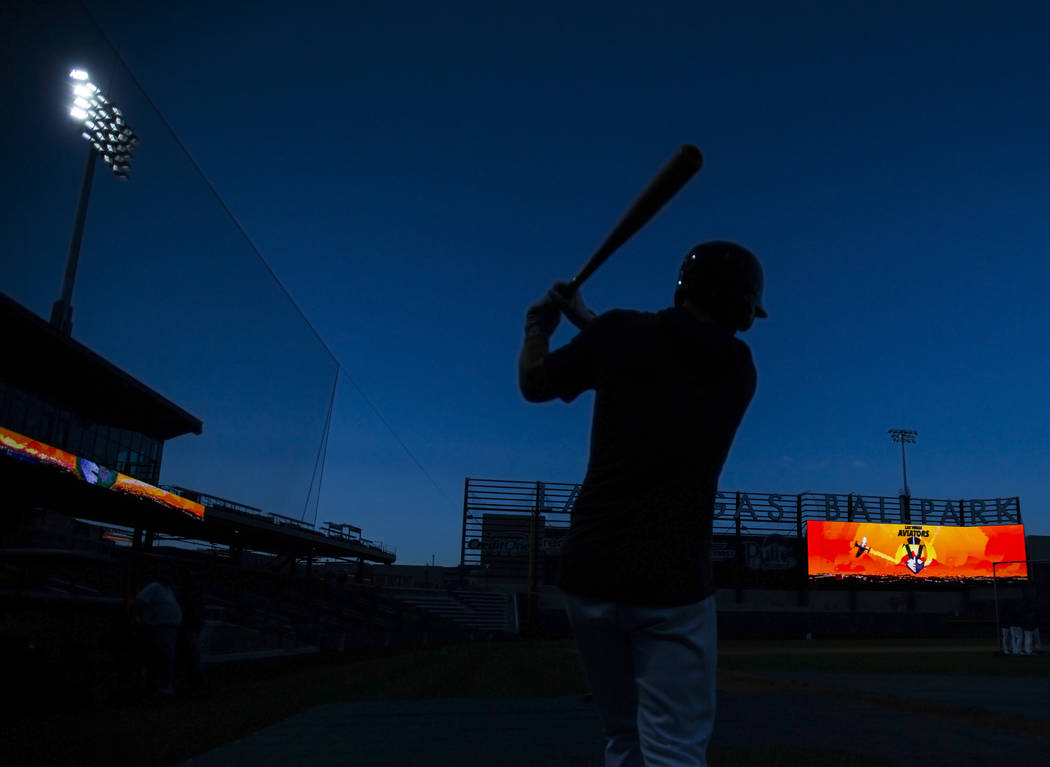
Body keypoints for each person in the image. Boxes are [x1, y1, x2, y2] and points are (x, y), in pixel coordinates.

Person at [518, 241, 766, 767]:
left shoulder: (619, 335)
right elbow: (652, 356)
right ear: (740, 305)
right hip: (672, 582)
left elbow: (535, 382)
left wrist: (540, 327)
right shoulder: (739, 367)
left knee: (623, 739)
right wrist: (590, 321)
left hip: (590, 572)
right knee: (673, 752)